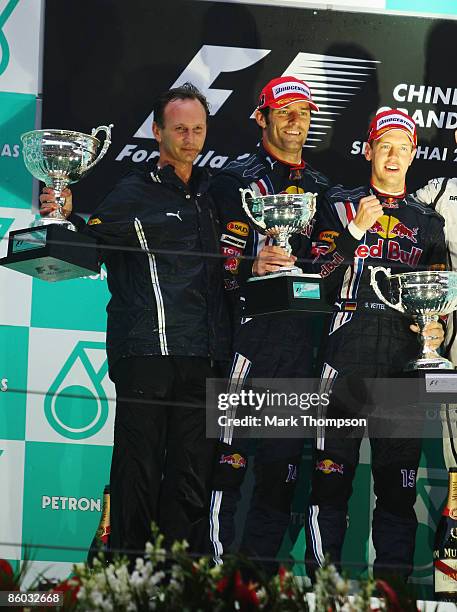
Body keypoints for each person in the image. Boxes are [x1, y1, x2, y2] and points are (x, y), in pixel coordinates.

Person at [39, 84, 231, 556]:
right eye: (180, 128)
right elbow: (92, 250)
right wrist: (64, 216)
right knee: (137, 473)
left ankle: (175, 581)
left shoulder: (211, 196)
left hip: (203, 359)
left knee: (191, 480)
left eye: (198, 129)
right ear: (157, 131)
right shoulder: (131, 191)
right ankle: (126, 576)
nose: (190, 138)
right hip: (146, 354)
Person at [304, 109, 446, 581]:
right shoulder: (338, 202)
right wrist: (354, 233)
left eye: (402, 147)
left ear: (413, 155)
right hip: (345, 353)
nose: (393, 156)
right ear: (367, 150)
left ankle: (391, 595)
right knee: (329, 482)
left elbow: (440, 300)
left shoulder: (428, 222)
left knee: (398, 491)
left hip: (403, 366)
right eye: (384, 145)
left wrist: (436, 329)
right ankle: (324, 592)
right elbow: (315, 278)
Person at [209, 76, 330, 570]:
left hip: (300, 344)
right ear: (261, 117)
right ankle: (214, 578)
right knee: (226, 463)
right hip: (246, 337)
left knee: (280, 471)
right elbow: (209, 258)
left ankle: (257, 579)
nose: (295, 121)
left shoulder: (323, 188)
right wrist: (247, 268)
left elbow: (328, 265)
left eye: (303, 112)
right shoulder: (235, 178)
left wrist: (328, 260)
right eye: (284, 111)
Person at [414, 138, 457, 469]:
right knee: (452, 409)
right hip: (450, 322)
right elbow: (401, 219)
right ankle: (455, 507)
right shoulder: (440, 191)